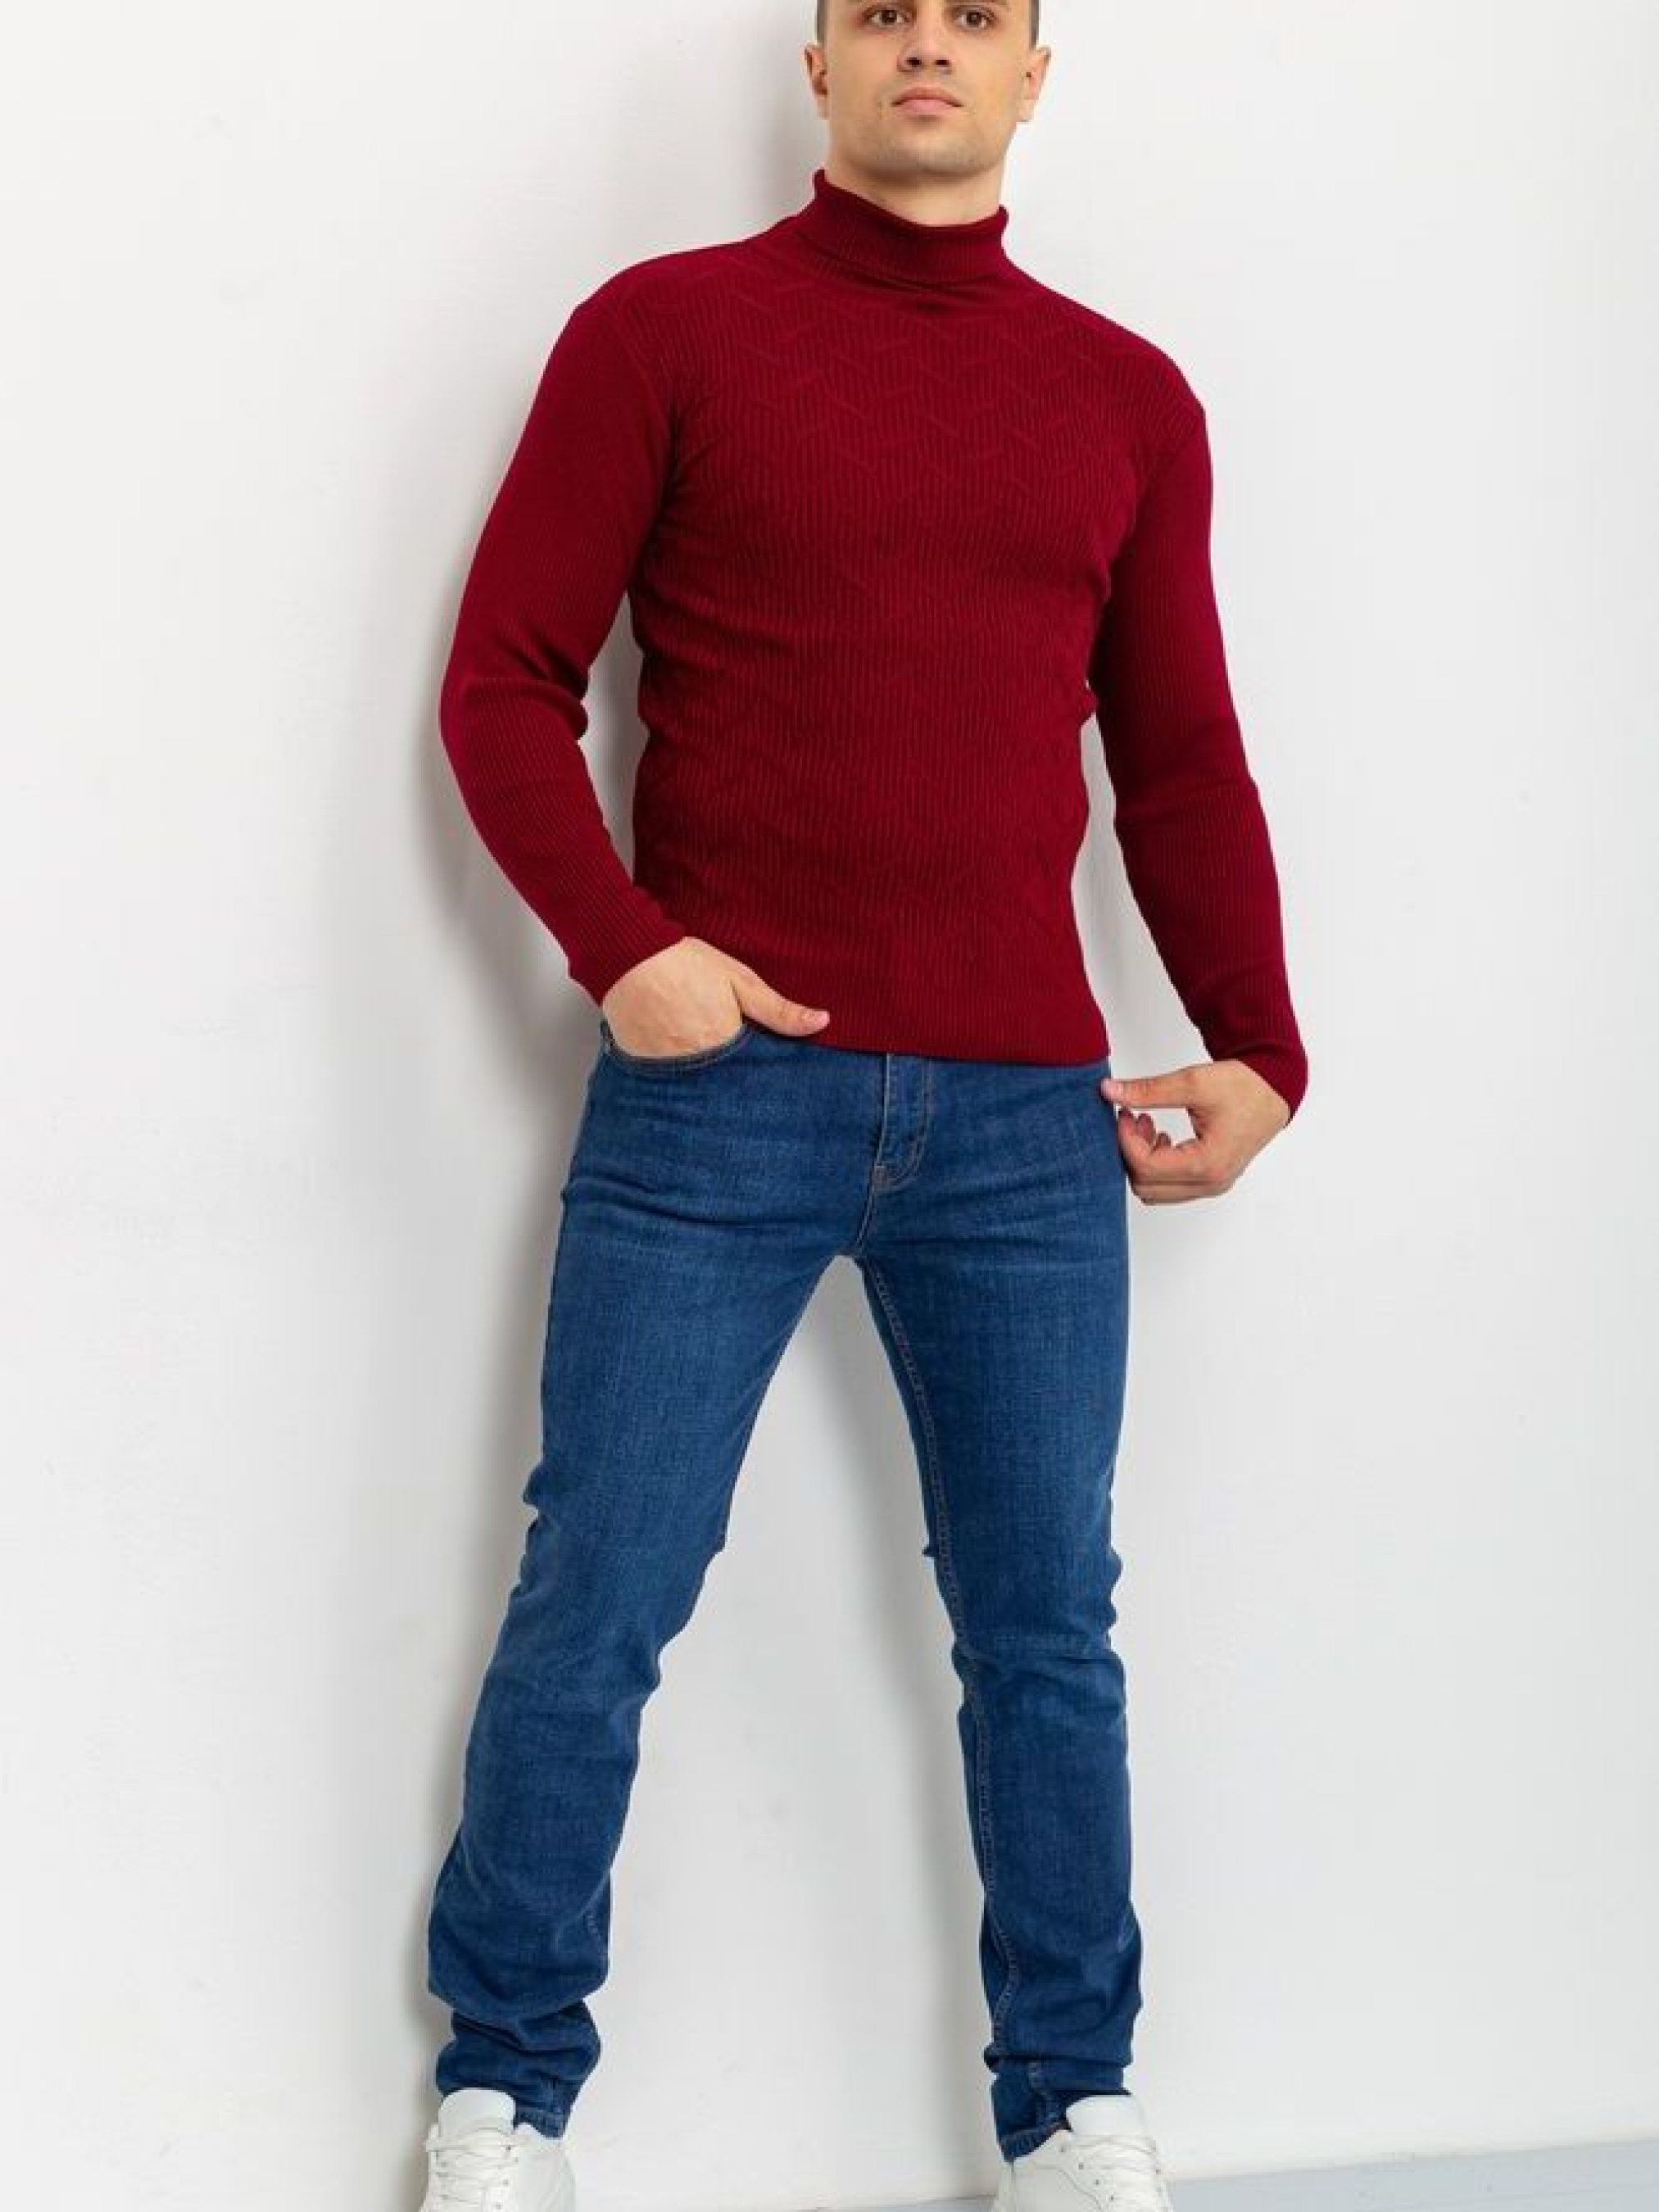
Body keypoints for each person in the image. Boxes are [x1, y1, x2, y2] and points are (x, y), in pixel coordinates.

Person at [418, 4, 1308, 2207]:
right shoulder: (665, 333)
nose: (928, 46)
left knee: (1045, 1629)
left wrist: (1258, 1042)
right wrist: (623, 945)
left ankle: (1071, 2107)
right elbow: (504, 678)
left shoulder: (1123, 396)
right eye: (881, 13)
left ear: (1033, 72)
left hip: (1023, 1123)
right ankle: (502, 2098)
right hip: (720, 1097)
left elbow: (1178, 752)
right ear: (815, 67)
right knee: (601, 1589)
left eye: (974, 16)